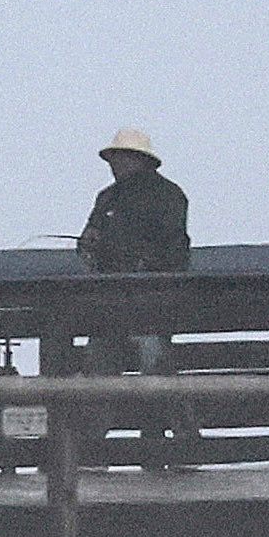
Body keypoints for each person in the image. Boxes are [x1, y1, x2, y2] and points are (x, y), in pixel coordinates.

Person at [76, 128, 194, 465]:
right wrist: (90, 246)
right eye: (114, 158)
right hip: (111, 307)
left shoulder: (168, 196)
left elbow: (174, 251)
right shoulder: (106, 199)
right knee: (98, 368)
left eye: (122, 157)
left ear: (140, 160)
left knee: (153, 363)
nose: (115, 164)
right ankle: (89, 449)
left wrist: (140, 262)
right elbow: (86, 244)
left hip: (150, 307)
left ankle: (181, 441)